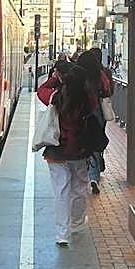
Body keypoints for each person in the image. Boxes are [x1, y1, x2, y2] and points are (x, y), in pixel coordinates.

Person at [38, 60, 98, 247]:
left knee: (61, 192)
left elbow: (41, 91)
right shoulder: (88, 100)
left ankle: (62, 234)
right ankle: (77, 223)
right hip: (80, 151)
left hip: (57, 151)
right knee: (79, 188)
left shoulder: (56, 97)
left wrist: (55, 79)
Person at [75, 48, 112, 195]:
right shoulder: (101, 74)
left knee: (83, 141)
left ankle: (85, 171)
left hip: (83, 111)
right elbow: (108, 90)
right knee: (96, 143)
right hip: (99, 112)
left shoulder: (79, 75)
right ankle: (94, 176)